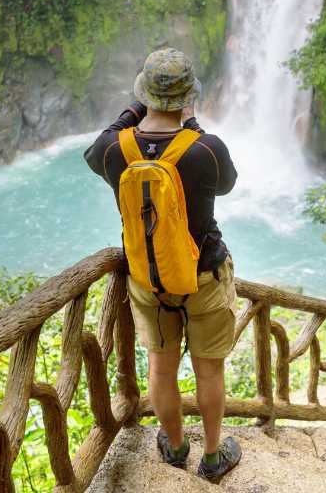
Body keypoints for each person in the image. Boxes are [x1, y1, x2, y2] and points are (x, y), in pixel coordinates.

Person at [84, 48, 242, 483]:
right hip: (203, 276)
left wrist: (131, 113)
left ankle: (173, 447)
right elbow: (227, 184)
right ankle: (213, 456)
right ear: (188, 97)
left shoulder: (117, 149)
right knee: (209, 368)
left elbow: (94, 151)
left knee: (160, 365)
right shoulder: (204, 148)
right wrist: (191, 125)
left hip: (147, 279)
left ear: (143, 95)